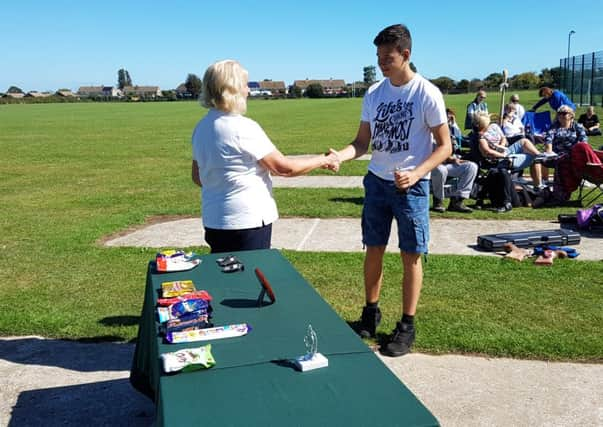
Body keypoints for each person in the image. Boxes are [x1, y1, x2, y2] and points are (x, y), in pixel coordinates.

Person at [328, 24, 452, 357]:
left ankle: (406, 325)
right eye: (379, 57)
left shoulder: (426, 93)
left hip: (410, 188)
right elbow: (361, 143)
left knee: (411, 255)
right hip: (377, 183)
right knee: (374, 249)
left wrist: (417, 174)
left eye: (388, 57)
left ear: (406, 54)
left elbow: (445, 146)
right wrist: (339, 155)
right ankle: (370, 314)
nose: (382, 63)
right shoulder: (374, 93)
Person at [191, 59, 338, 253]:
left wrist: (223, 184)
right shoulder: (242, 127)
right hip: (246, 221)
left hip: (214, 221)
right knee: (250, 279)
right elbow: (283, 168)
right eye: (244, 85)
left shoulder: (201, 127)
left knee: (224, 278)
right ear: (232, 88)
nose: (248, 91)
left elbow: (197, 176)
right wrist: (324, 159)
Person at [534, 105, 603, 207]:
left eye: (564, 113)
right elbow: (548, 145)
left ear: (571, 115)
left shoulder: (578, 127)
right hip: (561, 156)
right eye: (559, 113)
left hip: (578, 156)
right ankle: (599, 168)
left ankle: (597, 166)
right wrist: (549, 153)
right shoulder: (554, 128)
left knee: (587, 148)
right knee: (580, 147)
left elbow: (585, 142)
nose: (561, 115)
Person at [475, 111, 545, 190]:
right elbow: (487, 152)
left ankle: (540, 155)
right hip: (500, 159)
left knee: (524, 141)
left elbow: (503, 138)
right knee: (534, 157)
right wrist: (503, 155)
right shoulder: (481, 137)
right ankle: (538, 186)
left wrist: (501, 146)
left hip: (504, 150)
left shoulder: (493, 127)